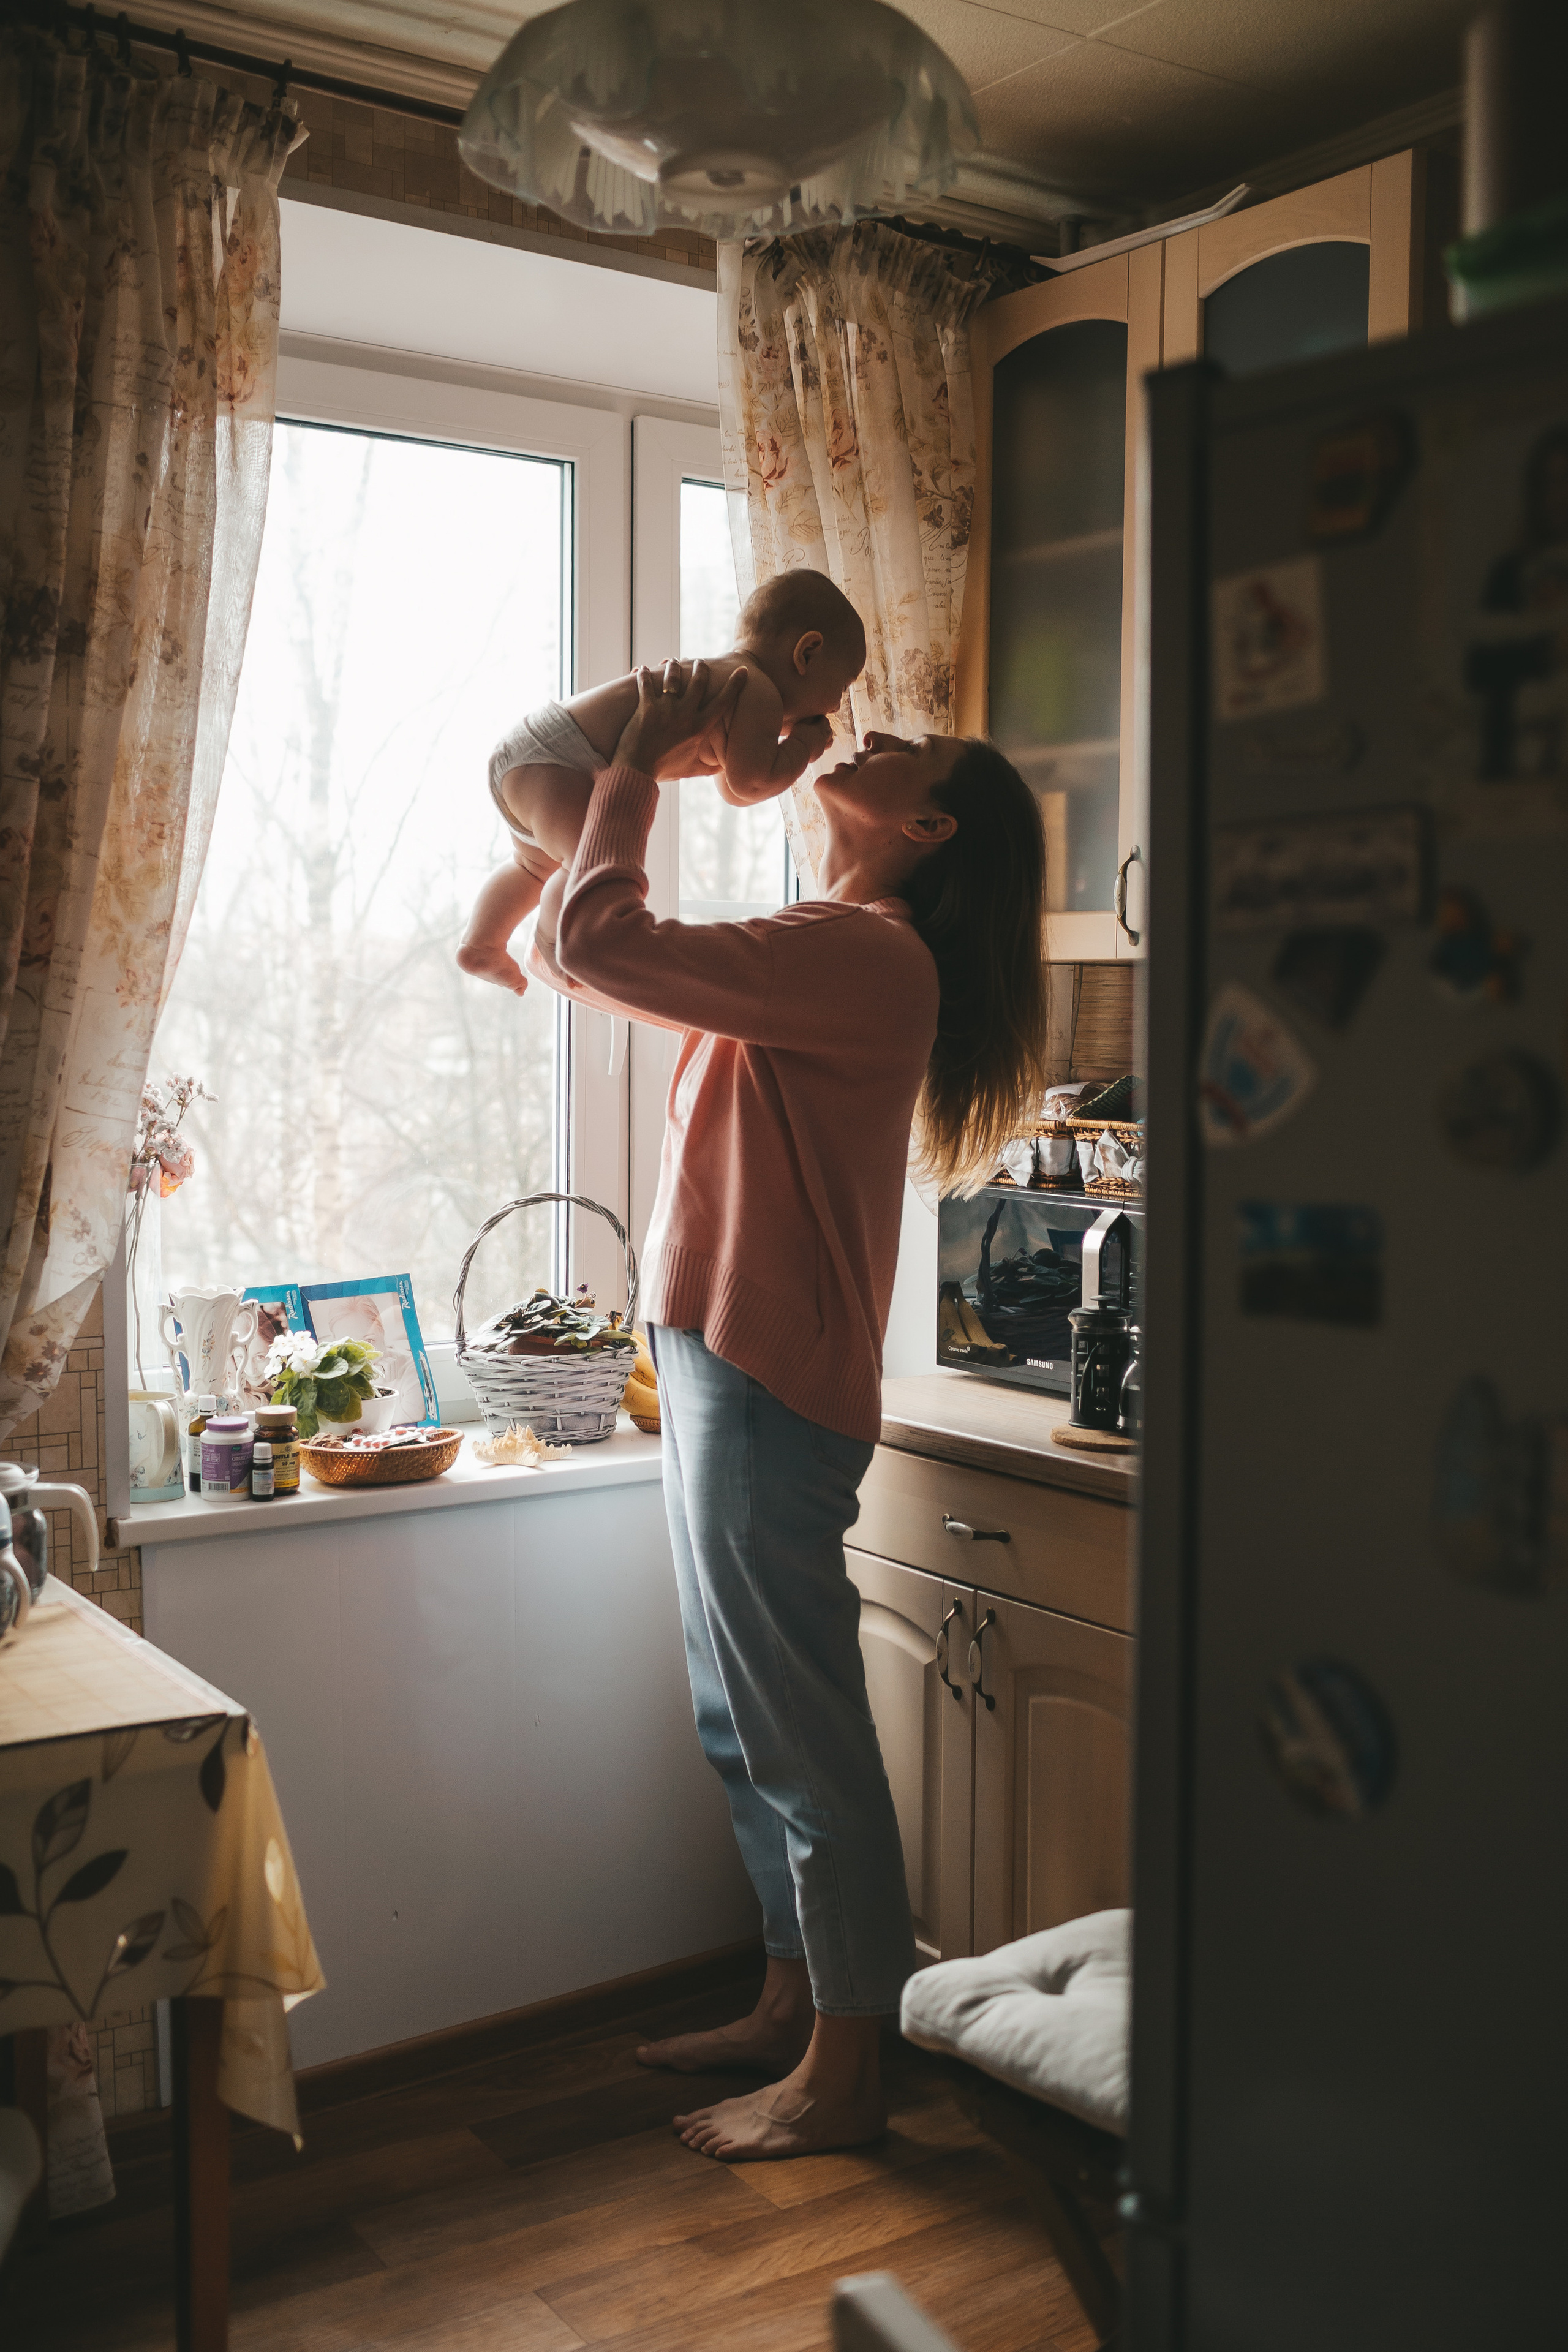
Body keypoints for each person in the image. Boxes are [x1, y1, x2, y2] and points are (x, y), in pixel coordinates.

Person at [532, 658, 1049, 2162]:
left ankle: (844, 2067)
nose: (869, 729)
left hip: (762, 1379)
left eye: (910, 747)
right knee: (732, 1705)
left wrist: (630, 757)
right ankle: (786, 1996)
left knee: (798, 1723)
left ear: (930, 831)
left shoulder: (866, 951)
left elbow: (599, 936)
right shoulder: (823, 939)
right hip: (712, 1355)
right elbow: (587, 952)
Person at [456, 570, 867, 994]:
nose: (836, 705)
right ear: (808, 653)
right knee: (585, 868)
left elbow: (734, 789)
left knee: (531, 865)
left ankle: (481, 944)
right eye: (841, 686)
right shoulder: (757, 688)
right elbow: (752, 783)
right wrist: (803, 744)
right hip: (564, 762)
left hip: (536, 752)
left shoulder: (731, 678)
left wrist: (771, 747)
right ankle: (560, 949)